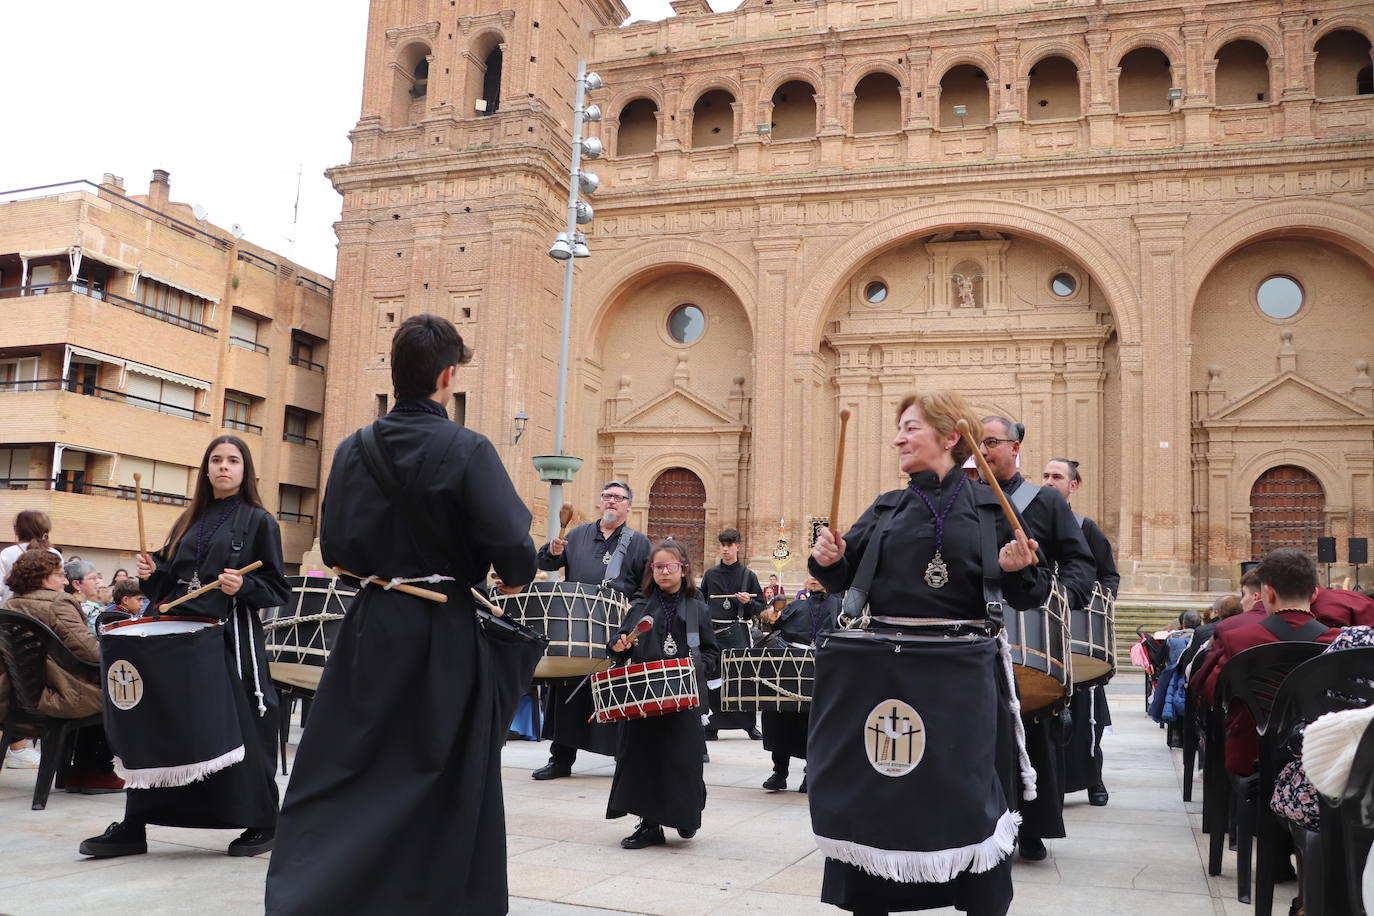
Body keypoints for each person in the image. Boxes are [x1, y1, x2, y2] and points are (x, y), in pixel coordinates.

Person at [267, 313, 538, 915]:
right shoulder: (468, 448)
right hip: (442, 629)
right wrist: (507, 576)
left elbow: (333, 548)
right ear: (448, 376)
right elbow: (516, 553)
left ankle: (323, 893)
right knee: (442, 768)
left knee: (353, 764)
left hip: (369, 625)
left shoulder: (351, 449)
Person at [808, 390, 1053, 916]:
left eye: (911, 427)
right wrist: (828, 559)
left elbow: (1031, 593)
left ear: (949, 438)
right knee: (879, 789)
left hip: (959, 682)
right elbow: (842, 577)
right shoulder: (886, 507)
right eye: (900, 428)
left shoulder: (992, 507)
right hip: (884, 677)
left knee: (964, 797)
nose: (898, 437)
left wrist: (1017, 569)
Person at [79, 434, 290, 859]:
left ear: (245, 469)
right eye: (216, 460)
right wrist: (151, 570)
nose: (224, 467)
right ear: (206, 468)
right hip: (174, 640)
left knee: (239, 727)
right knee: (161, 727)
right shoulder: (188, 520)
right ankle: (135, 825)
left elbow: (276, 588)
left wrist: (244, 583)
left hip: (227, 642)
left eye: (233, 460)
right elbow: (169, 581)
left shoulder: (259, 521)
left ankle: (263, 822)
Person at [980, 419, 1096, 862]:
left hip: (1031, 634)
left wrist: (1058, 599)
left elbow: (1079, 563)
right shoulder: (963, 500)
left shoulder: (1044, 500)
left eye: (991, 442)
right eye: (977, 444)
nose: (984, 451)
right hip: (972, 635)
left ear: (1015, 446)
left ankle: (1030, 827)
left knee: (1029, 731)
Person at [531, 480, 650, 780]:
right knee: (568, 688)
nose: (611, 501)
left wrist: (630, 617)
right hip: (578, 626)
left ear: (628, 506)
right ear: (600, 502)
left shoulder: (639, 543)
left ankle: (624, 759)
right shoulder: (577, 535)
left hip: (616, 630)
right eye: (607, 496)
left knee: (616, 691)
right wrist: (552, 548)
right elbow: (545, 562)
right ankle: (560, 759)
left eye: (618, 497)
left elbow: (644, 588)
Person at [606, 539, 719, 849]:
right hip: (644, 698)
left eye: (670, 566)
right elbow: (619, 643)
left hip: (682, 700)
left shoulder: (697, 608)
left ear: (683, 570)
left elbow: (711, 653)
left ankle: (685, 814)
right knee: (643, 759)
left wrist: (693, 667)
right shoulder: (641, 606)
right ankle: (649, 824)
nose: (663, 571)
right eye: (657, 566)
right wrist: (618, 644)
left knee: (681, 760)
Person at [1199, 549, 1341, 776]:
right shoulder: (1338, 642)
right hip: (1320, 761)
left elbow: (1211, 691)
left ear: (1268, 593)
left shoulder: (1238, 639)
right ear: (1314, 595)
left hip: (1250, 757)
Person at [0, 548, 124, 793]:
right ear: (42, 577)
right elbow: (90, 653)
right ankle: (93, 770)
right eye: (59, 575)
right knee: (116, 690)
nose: (65, 581)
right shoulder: (59, 602)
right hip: (57, 694)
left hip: (15, 696)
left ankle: (78, 771)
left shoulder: (10, 603)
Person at [1041, 458, 1117, 807]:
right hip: (1041, 632)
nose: (1049, 481)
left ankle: (1093, 778)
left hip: (1076, 633)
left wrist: (1093, 604)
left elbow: (1108, 576)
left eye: (1057, 476)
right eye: (1045, 475)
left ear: (1073, 486)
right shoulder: (1030, 525)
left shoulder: (1086, 528)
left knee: (1087, 710)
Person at [758, 576, 838, 793]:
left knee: (812, 721)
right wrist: (769, 617)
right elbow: (774, 628)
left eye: (818, 575)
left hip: (821, 668)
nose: (813, 579)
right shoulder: (796, 605)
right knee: (779, 717)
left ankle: (811, 773)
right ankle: (779, 772)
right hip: (788, 669)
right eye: (810, 574)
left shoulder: (838, 604)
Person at [0, 509, 60, 765]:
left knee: (11, 684)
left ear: (17, 529)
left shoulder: (7, 554)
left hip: (9, 627)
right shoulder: (54, 555)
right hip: (45, 631)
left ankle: (16, 744)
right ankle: (20, 746)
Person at [699, 528, 763, 741]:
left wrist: (749, 602)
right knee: (712, 676)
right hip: (713, 632)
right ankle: (711, 725)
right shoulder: (710, 574)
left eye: (729, 545)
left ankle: (748, 725)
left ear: (738, 547)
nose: (725, 549)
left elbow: (760, 607)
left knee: (742, 677)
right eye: (723, 545)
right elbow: (700, 602)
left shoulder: (748, 576)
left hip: (737, 630)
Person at [63, 559, 104, 634]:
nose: (97, 581)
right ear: (77, 584)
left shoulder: (69, 606)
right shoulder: (81, 611)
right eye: (92, 578)